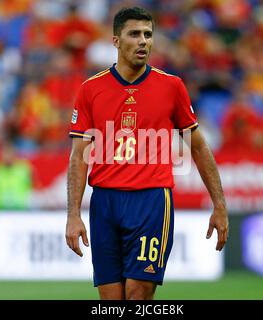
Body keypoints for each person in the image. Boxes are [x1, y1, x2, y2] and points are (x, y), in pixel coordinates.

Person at [65, 7, 228, 300]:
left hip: (151, 201)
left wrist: (219, 204)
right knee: (111, 299)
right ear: (116, 41)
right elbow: (78, 157)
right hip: (105, 203)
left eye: (148, 34)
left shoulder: (171, 86)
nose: (143, 41)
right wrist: (73, 214)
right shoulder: (91, 89)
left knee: (138, 294)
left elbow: (200, 147)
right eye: (134, 34)